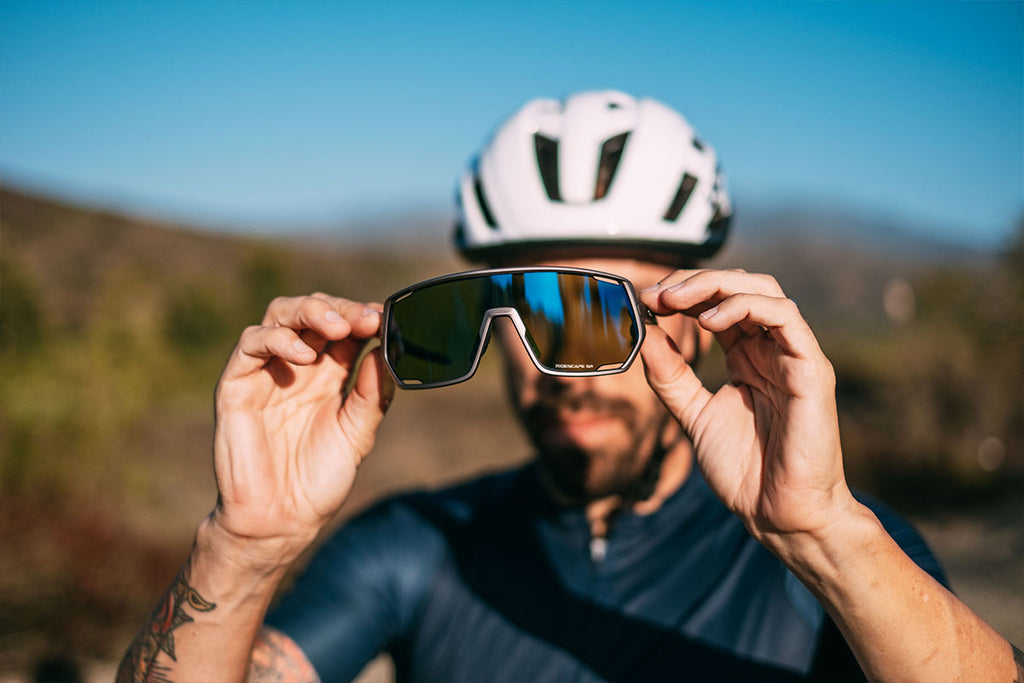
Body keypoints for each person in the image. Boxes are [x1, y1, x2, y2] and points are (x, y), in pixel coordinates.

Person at [118, 90, 1023, 682]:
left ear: (693, 320)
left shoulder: (838, 551)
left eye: (600, 313)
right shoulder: (420, 544)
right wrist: (241, 548)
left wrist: (828, 537)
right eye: (523, 313)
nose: (562, 369)